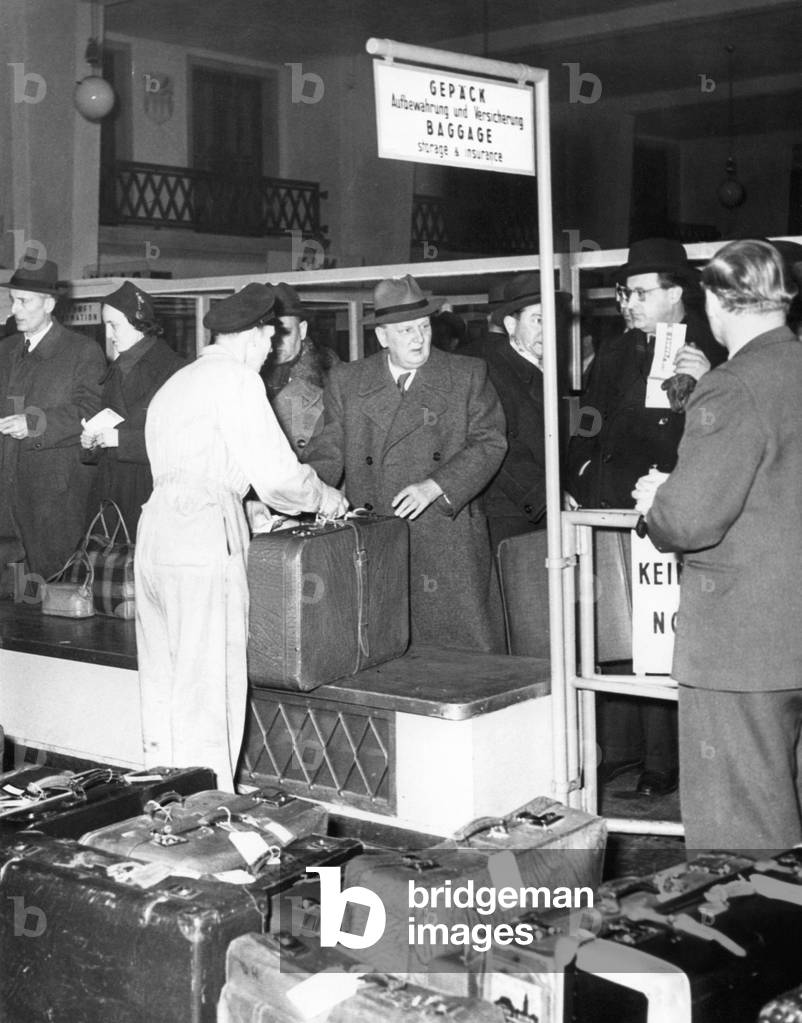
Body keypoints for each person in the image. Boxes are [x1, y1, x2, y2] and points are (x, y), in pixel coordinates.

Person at [135, 283, 348, 791]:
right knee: (210, 681)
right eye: (269, 337)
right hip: (204, 531)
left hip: (156, 532)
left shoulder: (177, 382)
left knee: (163, 680)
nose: (271, 350)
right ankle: (209, 807)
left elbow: (193, 466)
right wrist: (324, 498)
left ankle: (162, 802)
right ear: (253, 335)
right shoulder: (235, 380)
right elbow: (277, 476)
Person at [633, 239, 802, 853]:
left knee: (742, 833)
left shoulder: (732, 387)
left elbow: (690, 522)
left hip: (742, 645)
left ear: (716, 299)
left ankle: (752, 946)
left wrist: (659, 503)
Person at [566, 238, 727, 799]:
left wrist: (707, 382)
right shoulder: (614, 351)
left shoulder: (711, 351)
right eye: (623, 293)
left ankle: (665, 759)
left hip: (669, 506)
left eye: (639, 292)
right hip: (609, 505)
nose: (628, 303)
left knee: (662, 631)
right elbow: (587, 415)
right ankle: (621, 750)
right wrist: (577, 474)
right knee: (614, 629)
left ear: (677, 292)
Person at [303, 274, 508, 652]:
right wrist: (299, 494)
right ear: (382, 336)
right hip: (377, 537)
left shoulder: (466, 374)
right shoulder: (348, 380)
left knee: (456, 656)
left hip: (447, 535)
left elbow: (489, 442)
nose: (418, 339)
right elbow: (328, 451)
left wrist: (435, 485)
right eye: (405, 331)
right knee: (385, 648)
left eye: (424, 327)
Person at [0, 256, 105, 583]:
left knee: (52, 590)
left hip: (52, 499)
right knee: (12, 599)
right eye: (12, 300)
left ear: (49, 303)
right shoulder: (6, 350)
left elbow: (91, 410)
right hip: (7, 495)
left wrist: (34, 424)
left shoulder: (82, 352)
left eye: (23, 301)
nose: (14, 309)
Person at [80, 281, 184, 534]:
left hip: (151, 494)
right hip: (110, 496)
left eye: (114, 325)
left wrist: (121, 440)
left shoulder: (176, 371)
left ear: (139, 324)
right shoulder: (117, 368)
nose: (108, 335)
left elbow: (182, 443)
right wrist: (90, 443)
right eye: (105, 326)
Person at [471, 272, 548, 551]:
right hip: (513, 516)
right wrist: (548, 496)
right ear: (511, 325)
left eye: (553, 320)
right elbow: (498, 445)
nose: (548, 330)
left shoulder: (547, 369)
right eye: (538, 320)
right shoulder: (491, 371)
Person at [260, 282, 339, 455]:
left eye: (285, 332)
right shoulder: (245, 376)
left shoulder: (333, 378)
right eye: (268, 333)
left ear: (302, 330)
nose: (275, 341)